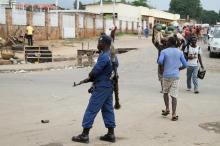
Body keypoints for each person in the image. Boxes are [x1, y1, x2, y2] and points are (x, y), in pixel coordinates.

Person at [72, 35, 118, 143]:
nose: (98, 44)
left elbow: (95, 71)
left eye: (99, 42)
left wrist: (90, 77)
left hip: (101, 86)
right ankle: (111, 134)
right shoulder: (112, 55)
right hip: (109, 86)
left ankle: (84, 135)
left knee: (91, 109)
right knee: (108, 109)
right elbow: (115, 67)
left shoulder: (104, 56)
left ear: (104, 44)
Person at [158, 37, 188, 121]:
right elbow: (185, 65)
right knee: (174, 96)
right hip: (175, 76)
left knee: (165, 92)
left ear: (169, 43)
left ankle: (167, 108)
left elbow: (160, 61)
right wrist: (178, 69)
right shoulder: (180, 52)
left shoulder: (164, 51)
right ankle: (174, 114)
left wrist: (162, 67)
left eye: (167, 41)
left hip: (166, 75)